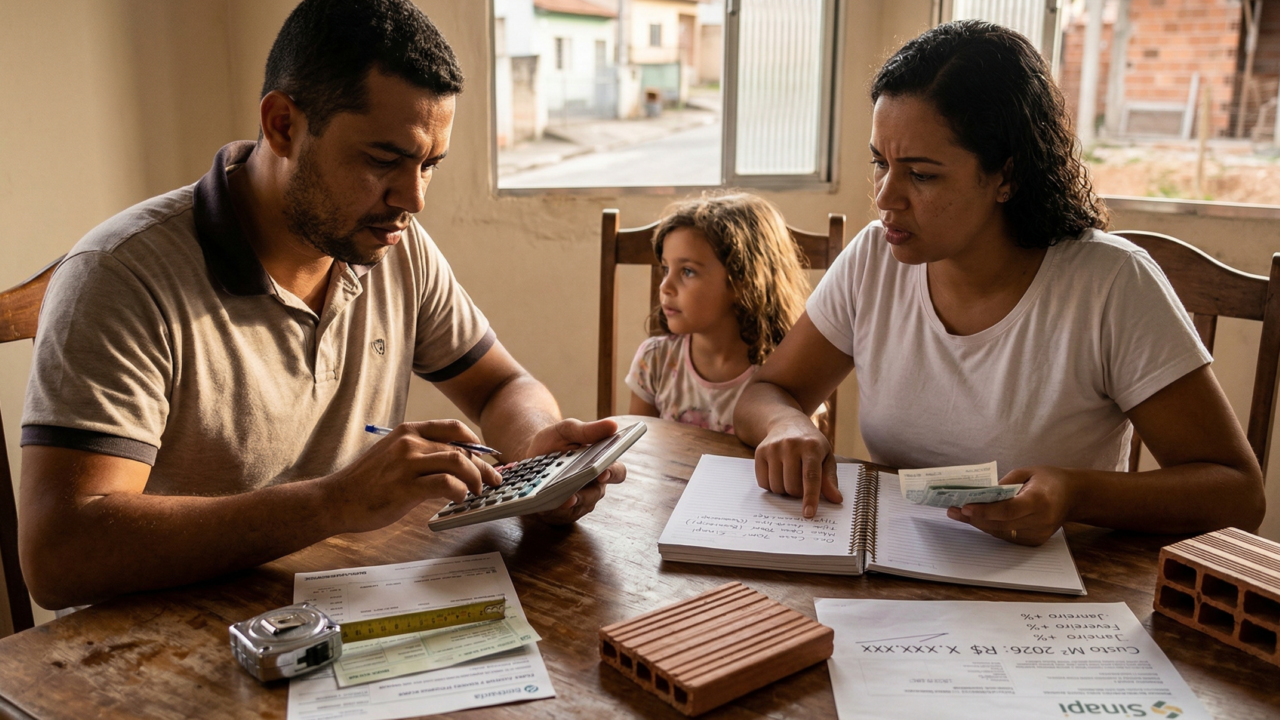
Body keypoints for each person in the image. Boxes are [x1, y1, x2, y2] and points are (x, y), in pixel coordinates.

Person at [17, 0, 625, 611]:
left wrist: (536, 451)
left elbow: (501, 387)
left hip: (337, 608)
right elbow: (59, 556)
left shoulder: (393, 246)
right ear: (282, 124)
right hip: (162, 643)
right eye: (384, 160)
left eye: (430, 165)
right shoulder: (119, 276)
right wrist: (332, 503)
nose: (412, 199)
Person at [734, 21, 1265, 542]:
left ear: (1007, 176)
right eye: (880, 163)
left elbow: (1238, 496)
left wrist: (1077, 494)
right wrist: (786, 425)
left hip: (1058, 596)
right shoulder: (874, 259)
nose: (886, 197)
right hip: (896, 574)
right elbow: (766, 392)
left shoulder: (1110, 284)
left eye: (921, 174)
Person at [626, 192, 809, 434]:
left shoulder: (783, 373)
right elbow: (637, 454)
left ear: (742, 280)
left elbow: (799, 459)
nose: (665, 287)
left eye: (687, 271)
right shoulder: (654, 361)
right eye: (666, 268)